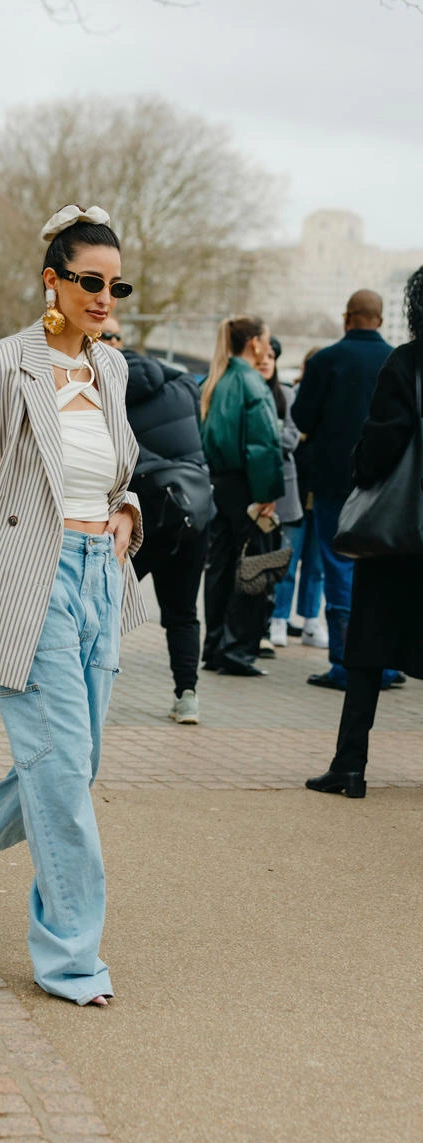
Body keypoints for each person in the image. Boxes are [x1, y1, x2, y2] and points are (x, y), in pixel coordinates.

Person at [0, 204, 147, 1007]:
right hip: (27, 586)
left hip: (100, 578)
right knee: (64, 774)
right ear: (53, 279)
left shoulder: (109, 369)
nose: (104, 297)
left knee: (69, 769)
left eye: (116, 285)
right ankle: (72, 957)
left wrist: (126, 512)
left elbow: (113, 476)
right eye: (90, 281)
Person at [306, 267, 423, 798]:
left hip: (401, 536)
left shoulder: (408, 362)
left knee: (369, 646)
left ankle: (350, 766)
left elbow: (380, 447)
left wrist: (360, 469)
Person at [291, 290, 399, 690]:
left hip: (335, 482)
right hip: (389, 487)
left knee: (339, 568)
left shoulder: (324, 361)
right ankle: (385, 664)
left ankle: (345, 664)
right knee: (383, 572)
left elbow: (302, 417)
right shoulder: (399, 360)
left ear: (346, 318)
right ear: (382, 321)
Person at [109, 315, 210, 723]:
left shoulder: (105, 393)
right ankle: (187, 695)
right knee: (183, 612)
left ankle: (90, 684)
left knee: (108, 604)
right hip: (192, 514)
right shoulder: (180, 383)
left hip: (143, 517)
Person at [200, 316, 284, 676]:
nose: (268, 347)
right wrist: (268, 492)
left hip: (218, 484)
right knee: (253, 565)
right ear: (254, 343)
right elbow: (263, 443)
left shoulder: (216, 380)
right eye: (265, 340)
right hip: (248, 487)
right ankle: (237, 650)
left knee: (219, 565)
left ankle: (215, 645)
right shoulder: (251, 382)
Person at [270, 348, 326, 648]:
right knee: (288, 559)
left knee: (316, 566)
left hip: (321, 492)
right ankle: (279, 617)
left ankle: (310, 620)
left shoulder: (331, 397)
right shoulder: (296, 396)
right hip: (297, 491)